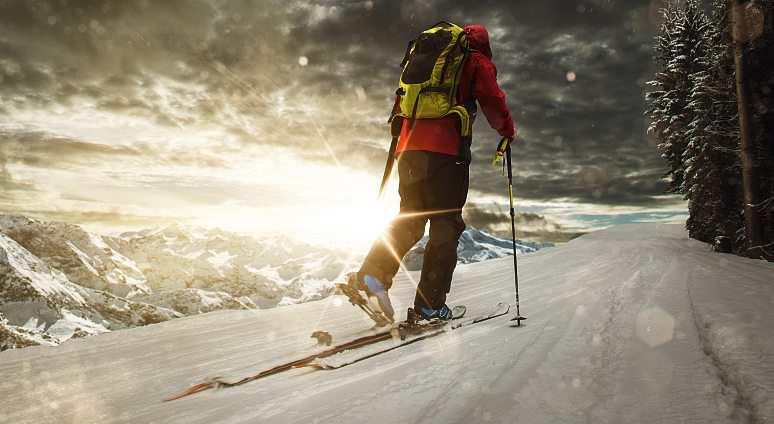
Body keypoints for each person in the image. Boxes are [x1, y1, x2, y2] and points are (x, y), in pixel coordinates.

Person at [349, 24, 516, 322]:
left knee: (410, 218)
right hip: (446, 152)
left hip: (408, 148)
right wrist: (507, 131)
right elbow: (492, 99)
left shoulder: (425, 57)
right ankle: (430, 305)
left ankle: (372, 278)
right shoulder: (473, 58)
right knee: (446, 222)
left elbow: (400, 101)